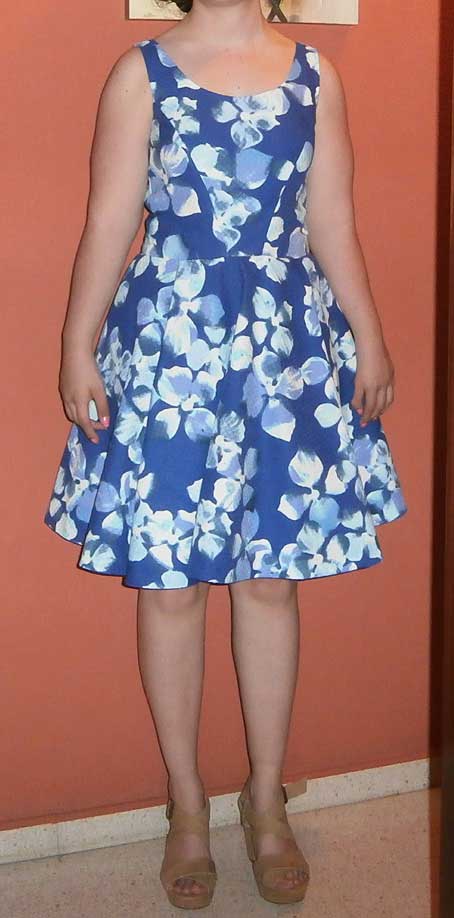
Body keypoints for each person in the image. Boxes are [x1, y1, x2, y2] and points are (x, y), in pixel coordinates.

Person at [43, 0, 408, 908]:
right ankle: (187, 805)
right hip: (171, 350)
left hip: (285, 354)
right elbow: (108, 222)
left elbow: (332, 220)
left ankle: (266, 798)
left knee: (270, 580)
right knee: (171, 586)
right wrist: (77, 346)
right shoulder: (142, 74)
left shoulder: (317, 76)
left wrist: (369, 336)